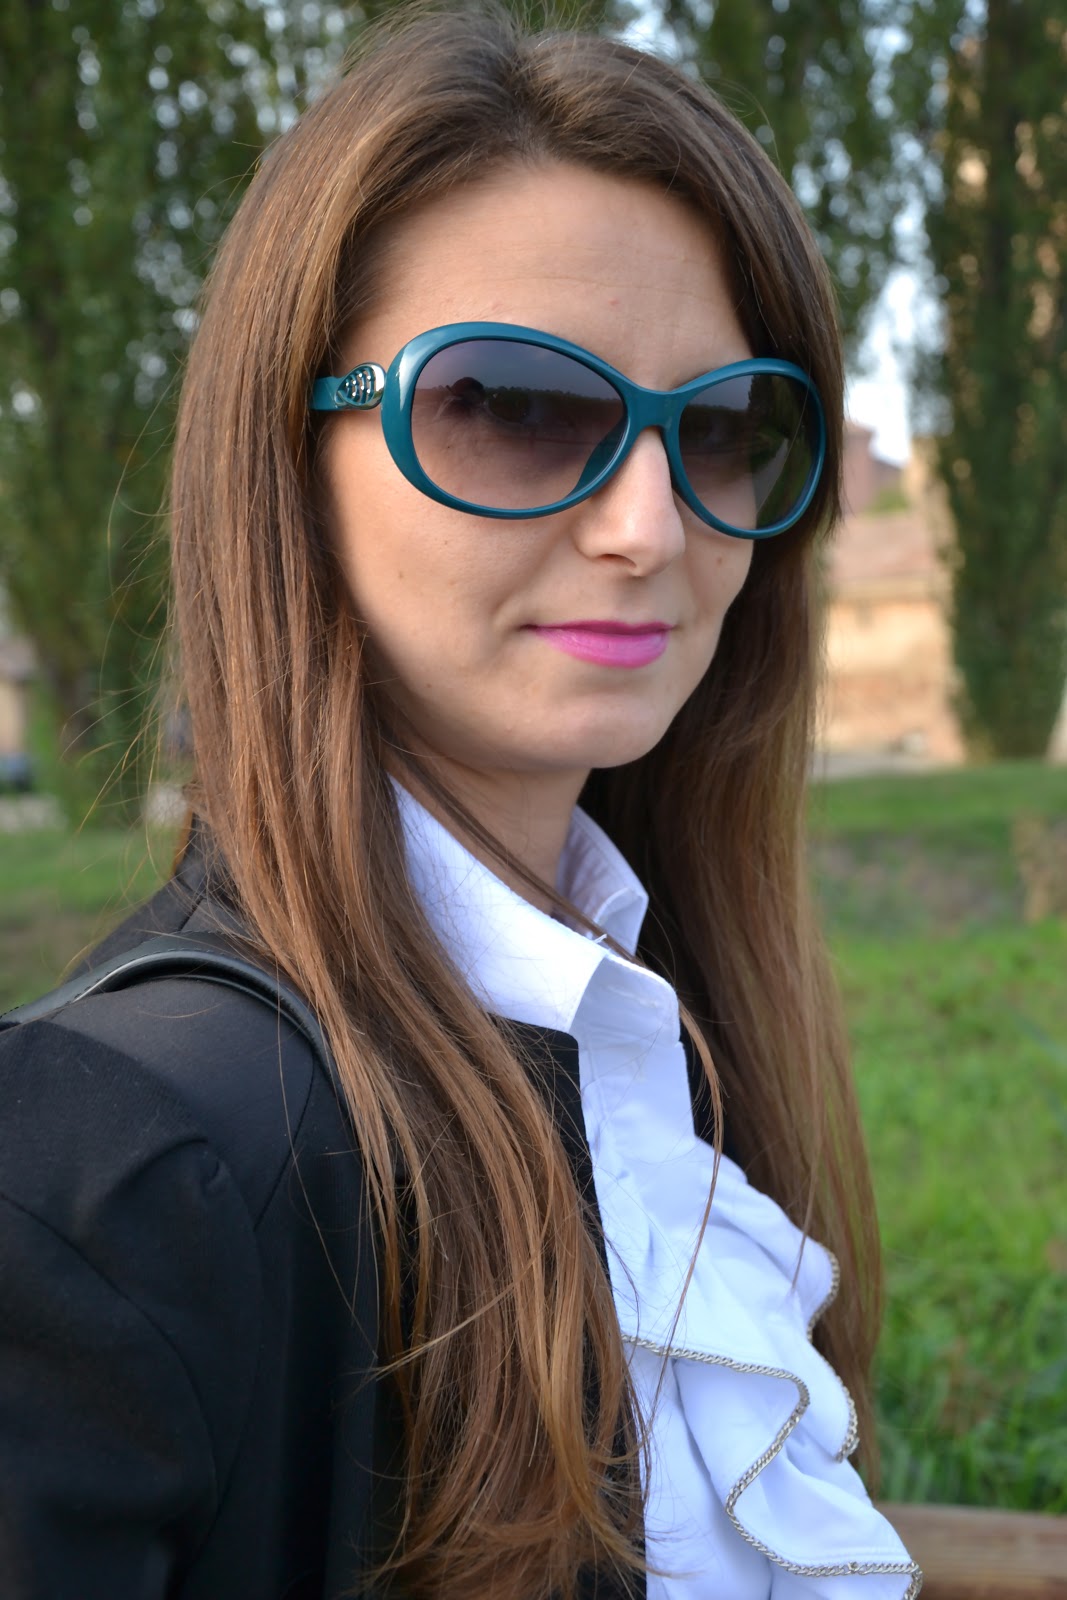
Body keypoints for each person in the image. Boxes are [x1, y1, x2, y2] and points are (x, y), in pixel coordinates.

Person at [0, 7, 921, 1598]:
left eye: (721, 429)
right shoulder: (107, 1170)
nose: (650, 527)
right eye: (511, 404)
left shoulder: (673, 1055)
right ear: (290, 458)